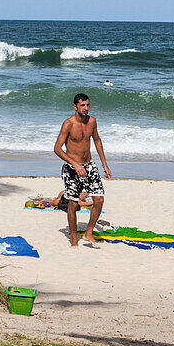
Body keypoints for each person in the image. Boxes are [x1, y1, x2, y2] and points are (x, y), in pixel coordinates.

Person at [54, 93, 112, 247]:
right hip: (72, 167)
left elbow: (97, 140)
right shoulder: (68, 124)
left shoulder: (92, 121)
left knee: (99, 199)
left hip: (89, 165)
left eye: (88, 105)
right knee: (73, 204)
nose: (86, 108)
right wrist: (75, 165)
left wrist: (104, 164)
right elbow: (57, 149)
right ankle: (74, 239)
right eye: (82, 105)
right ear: (75, 107)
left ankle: (88, 233)